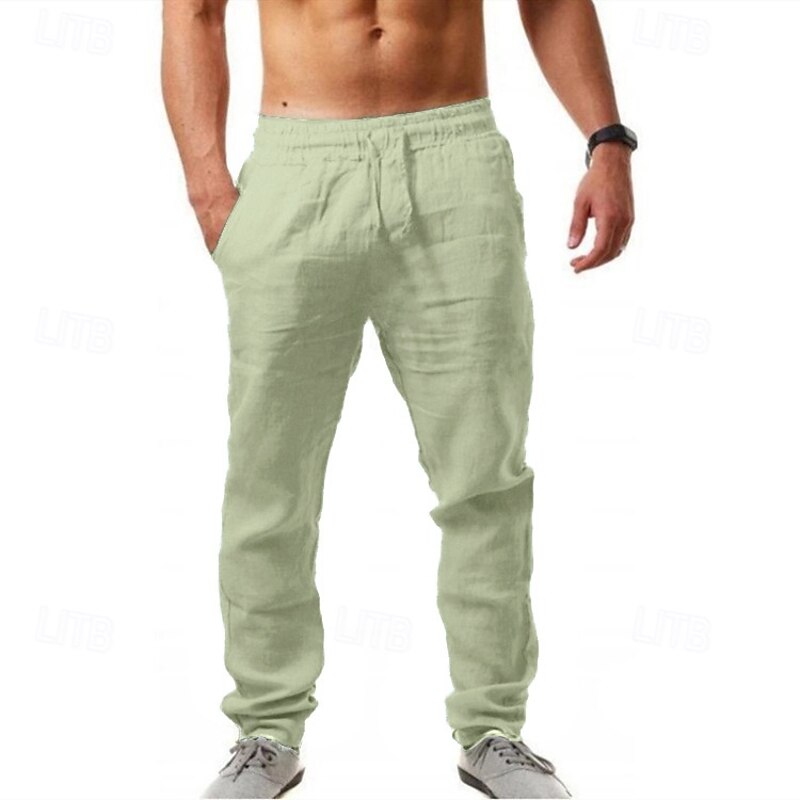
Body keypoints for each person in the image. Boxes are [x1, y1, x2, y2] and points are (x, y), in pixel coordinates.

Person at [161, 0, 636, 797]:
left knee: (485, 474)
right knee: (269, 481)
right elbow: (194, 12)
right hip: (297, 164)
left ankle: (493, 729)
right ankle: (266, 732)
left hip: (456, 161)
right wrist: (209, 190)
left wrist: (607, 139)